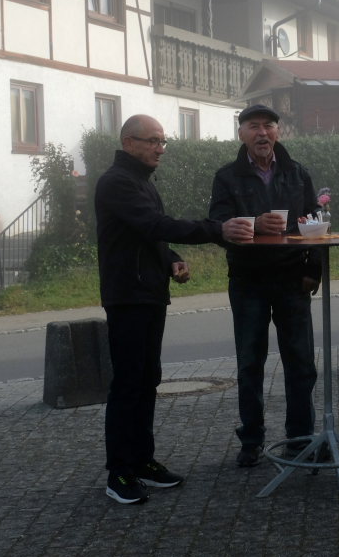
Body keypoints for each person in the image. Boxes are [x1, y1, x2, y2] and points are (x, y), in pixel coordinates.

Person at [96, 114, 250, 505]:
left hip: (149, 293)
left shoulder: (142, 182)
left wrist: (171, 260)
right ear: (129, 142)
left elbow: (149, 235)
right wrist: (217, 229)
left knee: (148, 378)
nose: (160, 149)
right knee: (128, 383)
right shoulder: (116, 182)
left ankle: (142, 460)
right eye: (153, 141)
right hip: (127, 296)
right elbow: (154, 225)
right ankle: (119, 472)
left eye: (163, 141)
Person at [209, 104, 321, 468]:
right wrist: (254, 224)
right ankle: (252, 440)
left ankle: (300, 438)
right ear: (241, 133)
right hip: (249, 280)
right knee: (250, 363)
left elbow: (315, 222)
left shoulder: (297, 172)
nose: (262, 133)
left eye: (269, 126)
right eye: (254, 126)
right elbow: (218, 225)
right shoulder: (226, 177)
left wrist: (313, 270)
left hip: (292, 278)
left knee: (301, 362)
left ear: (278, 132)